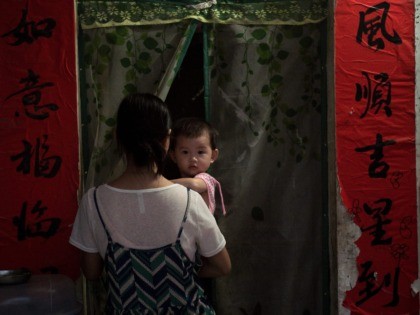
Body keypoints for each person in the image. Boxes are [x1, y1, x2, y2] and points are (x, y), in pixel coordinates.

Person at [69, 93, 231, 314]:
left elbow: (91, 272)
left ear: (119, 137)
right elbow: (222, 266)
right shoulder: (189, 200)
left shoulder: (93, 202)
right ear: (167, 140)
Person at [169, 117, 227, 216]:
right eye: (185, 152)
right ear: (174, 156)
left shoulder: (205, 179)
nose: (193, 158)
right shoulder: (179, 183)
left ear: (213, 156)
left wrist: (161, 184)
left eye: (200, 152)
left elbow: (194, 185)